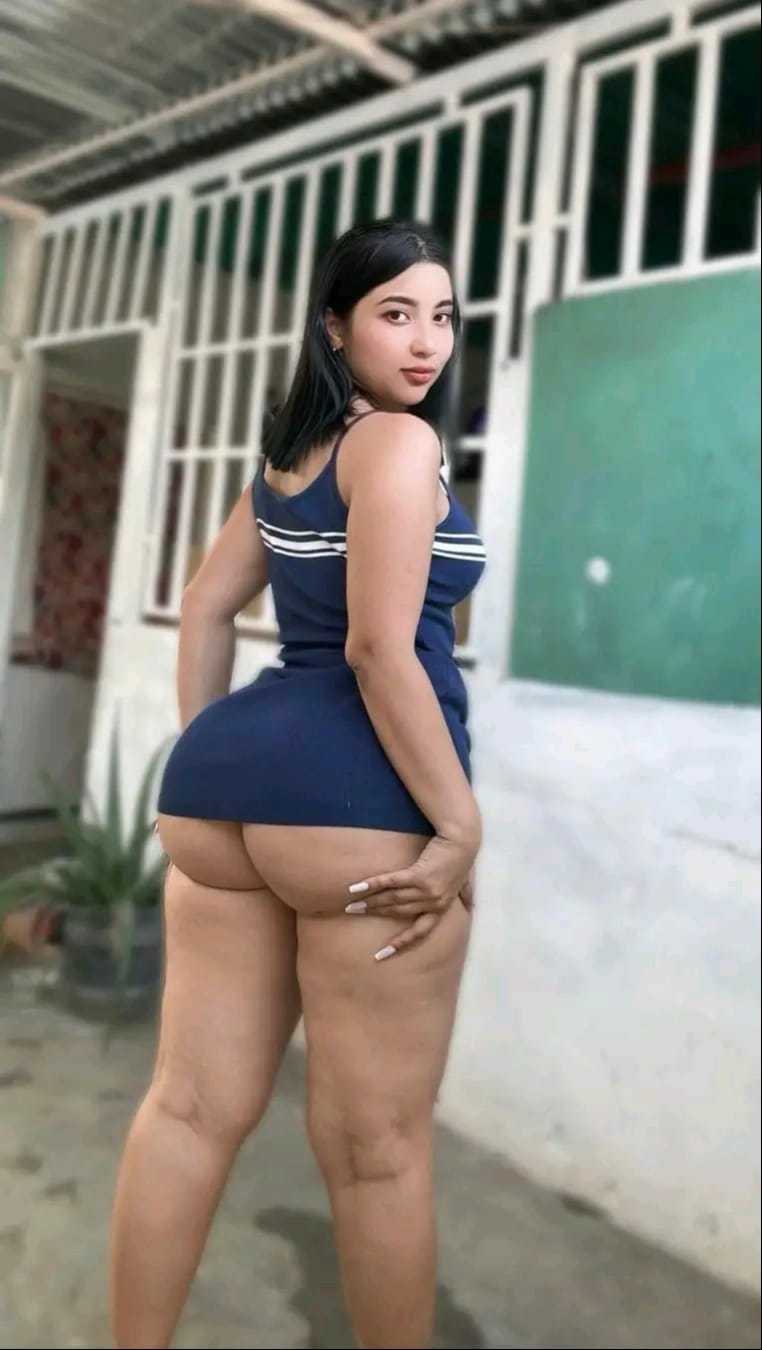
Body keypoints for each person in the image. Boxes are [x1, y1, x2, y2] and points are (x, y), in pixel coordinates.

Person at [109, 217, 488, 1349]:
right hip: (362, 812)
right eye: (394, 313)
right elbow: (379, 650)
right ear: (335, 327)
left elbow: (206, 607)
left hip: (222, 799)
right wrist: (458, 826)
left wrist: (214, 759)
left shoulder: (292, 457)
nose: (425, 342)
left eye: (442, 315)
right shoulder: (399, 444)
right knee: (379, 1157)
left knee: (187, 1107)